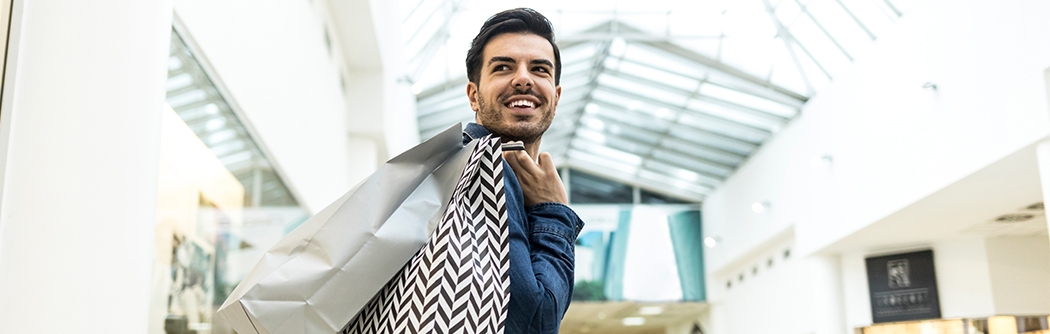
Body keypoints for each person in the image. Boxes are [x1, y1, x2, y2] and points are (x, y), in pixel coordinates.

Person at [460, 8, 585, 334]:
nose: (523, 78)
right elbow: (535, 322)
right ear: (474, 95)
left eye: (540, 69)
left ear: (556, 98)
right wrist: (554, 211)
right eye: (503, 67)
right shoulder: (481, 171)